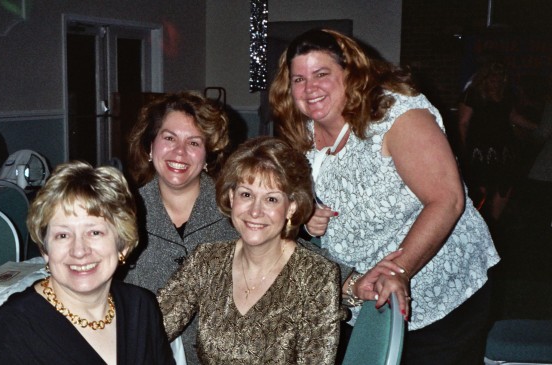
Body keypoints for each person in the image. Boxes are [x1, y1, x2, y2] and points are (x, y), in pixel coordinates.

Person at [269, 29, 500, 364]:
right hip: (361, 297)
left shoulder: (395, 115)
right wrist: (309, 213)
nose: (310, 88)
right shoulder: (301, 129)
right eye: (298, 79)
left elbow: (446, 200)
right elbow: (308, 193)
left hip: (441, 294)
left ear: (349, 74)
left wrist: (399, 271)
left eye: (322, 74)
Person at [156, 136, 350, 364]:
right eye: (246, 195)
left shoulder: (316, 276)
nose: (255, 211)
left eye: (271, 199)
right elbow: (150, 329)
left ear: (292, 207)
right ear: (231, 197)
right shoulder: (207, 260)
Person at [0, 161, 174, 365]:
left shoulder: (141, 308)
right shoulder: (9, 330)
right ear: (45, 249)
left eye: (94, 232)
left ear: (122, 244)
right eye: (62, 235)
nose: (79, 250)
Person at [125, 91, 239, 364]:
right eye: (169, 138)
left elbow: (284, 250)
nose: (179, 152)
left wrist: (349, 281)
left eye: (194, 142)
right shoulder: (123, 212)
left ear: (207, 155)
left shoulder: (235, 208)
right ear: (150, 147)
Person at [459, 60, 538, 226]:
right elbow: (463, 122)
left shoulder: (506, 96)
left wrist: (538, 127)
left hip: (504, 151)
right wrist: (461, 148)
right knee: (480, 190)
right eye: (492, 78)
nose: (495, 82)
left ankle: (493, 227)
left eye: (499, 78)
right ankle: (475, 227)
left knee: (504, 188)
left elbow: (513, 117)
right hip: (480, 151)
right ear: (485, 78)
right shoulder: (473, 95)